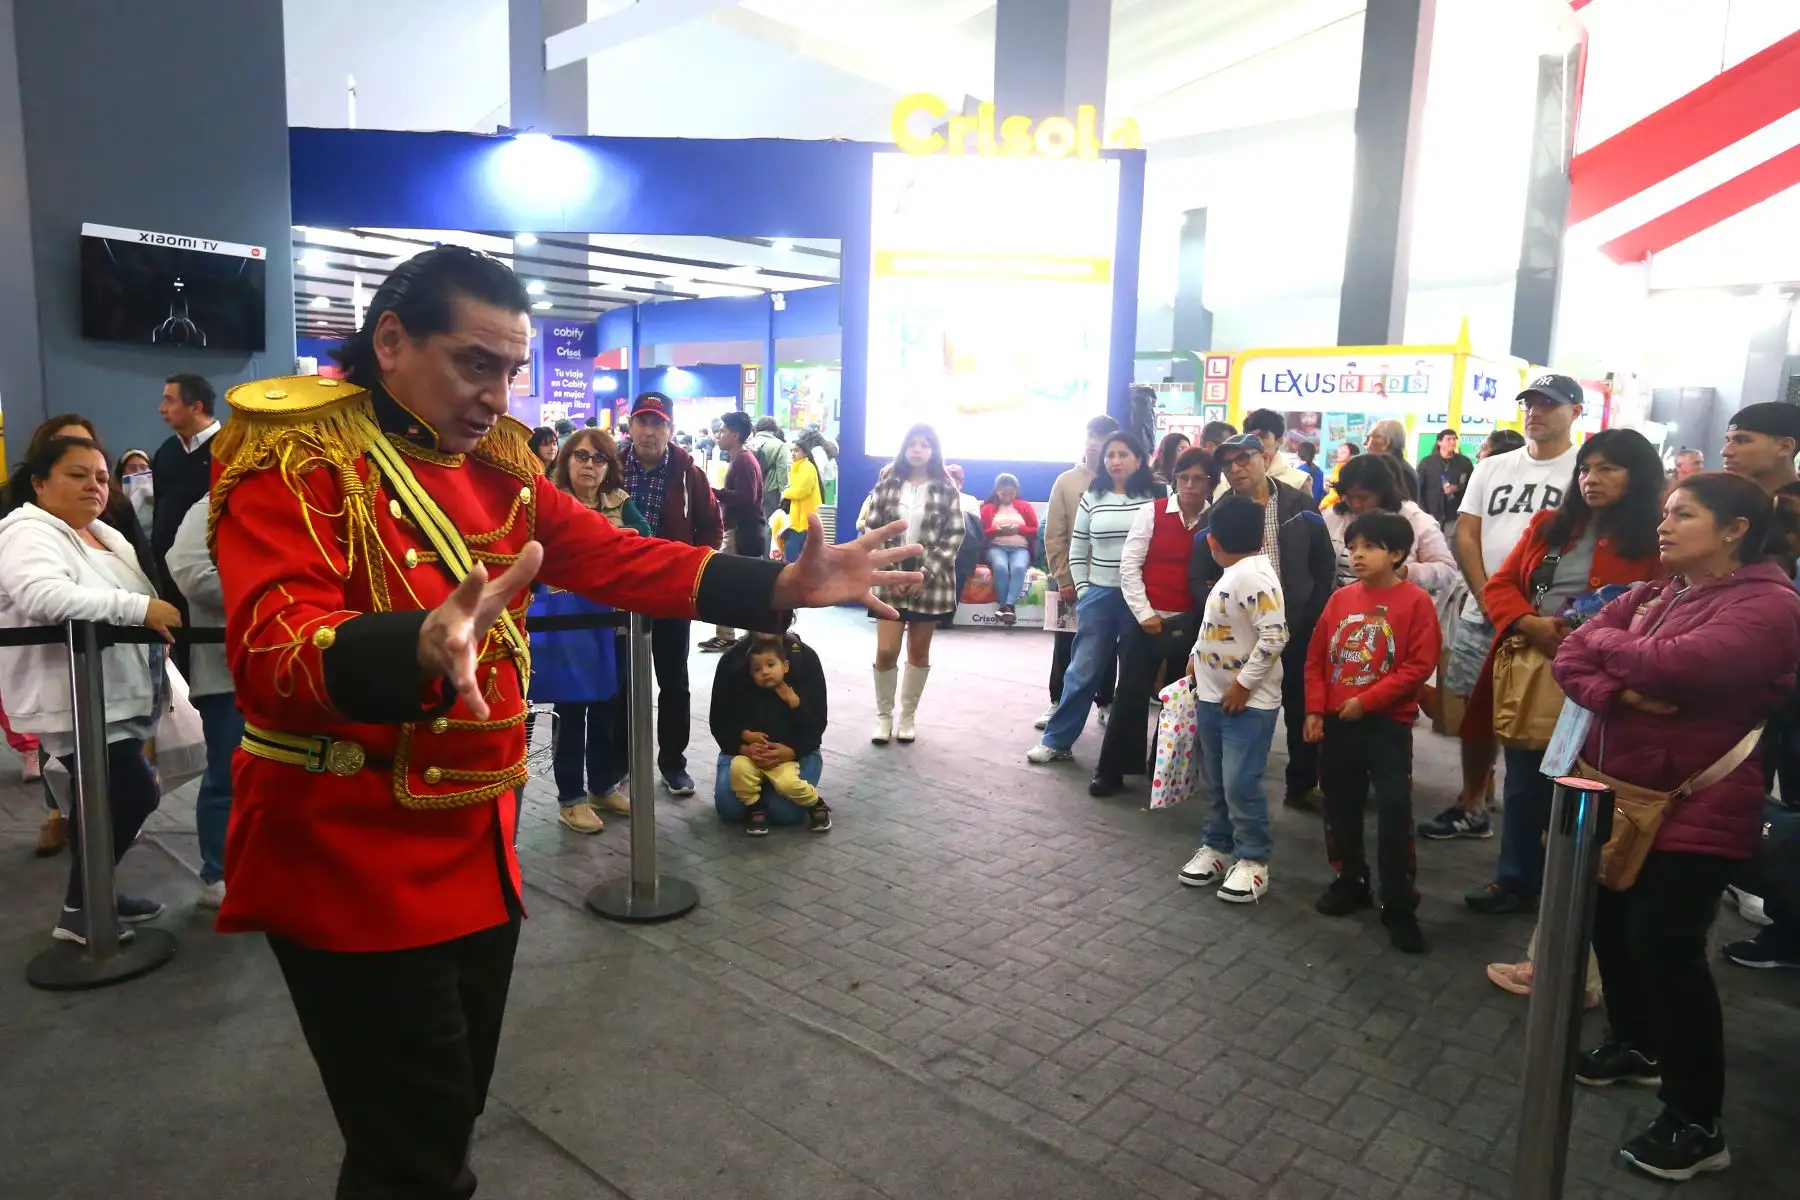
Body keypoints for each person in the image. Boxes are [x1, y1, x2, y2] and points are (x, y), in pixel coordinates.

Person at [206, 245, 918, 1197]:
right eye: (475, 364)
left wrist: (778, 585)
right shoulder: (296, 458)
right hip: (347, 850)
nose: (497, 396)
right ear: (391, 340)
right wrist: (414, 645)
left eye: (510, 369)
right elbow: (269, 651)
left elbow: (617, 557)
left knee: (443, 1119)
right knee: (414, 1148)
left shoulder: (497, 466)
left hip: (476, 844)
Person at [1554, 471, 1800, 1183]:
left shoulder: (1770, 605)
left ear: (1735, 530)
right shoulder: (1662, 592)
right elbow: (1571, 652)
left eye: (1683, 514)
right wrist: (1620, 691)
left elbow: (1677, 666)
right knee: (1611, 927)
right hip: (1621, 794)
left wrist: (1611, 652)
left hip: (1699, 804)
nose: (1663, 526)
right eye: (1666, 512)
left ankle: (1696, 1120)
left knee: (1667, 950)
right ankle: (1637, 1043)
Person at [1463, 428, 1666, 915]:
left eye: (1607, 469)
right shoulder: (1551, 525)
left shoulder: (1659, 537)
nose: (1591, 479)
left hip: (1612, 681)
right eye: (1585, 469)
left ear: (1638, 476)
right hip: (1538, 672)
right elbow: (1501, 586)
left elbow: (1666, 607)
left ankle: (1584, 887)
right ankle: (1516, 878)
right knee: (1524, 780)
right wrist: (1527, 622)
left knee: (1593, 785)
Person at [0, 436, 182, 944]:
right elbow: (43, 596)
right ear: (39, 483)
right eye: (77, 475)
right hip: (74, 700)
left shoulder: (102, 533)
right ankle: (83, 907)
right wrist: (138, 610)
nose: (94, 486)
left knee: (100, 801)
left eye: (101, 477)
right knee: (134, 791)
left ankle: (93, 896)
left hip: (114, 694)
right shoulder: (27, 532)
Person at [1422, 376, 1584, 842]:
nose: (1536, 411)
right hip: (1486, 609)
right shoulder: (1492, 467)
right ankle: (1473, 802)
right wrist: (1486, 594)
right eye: (1530, 403)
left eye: (1549, 404)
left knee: (1546, 715)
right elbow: (1467, 532)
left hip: (1552, 617)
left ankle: (1542, 820)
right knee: (1476, 710)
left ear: (1575, 412)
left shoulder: (1583, 470)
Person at [1305, 511, 1441, 953]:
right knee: (1339, 805)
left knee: (1394, 809)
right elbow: (1316, 660)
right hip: (1338, 723)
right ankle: (1351, 878)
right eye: (1352, 547)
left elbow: (1418, 666)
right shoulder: (1340, 600)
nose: (1357, 555)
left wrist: (1369, 700)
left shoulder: (1416, 602)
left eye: (1369, 547)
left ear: (1397, 553)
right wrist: (1315, 710)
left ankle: (1399, 903)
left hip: (1386, 726)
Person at [1190, 433, 1334, 813]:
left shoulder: (1299, 505)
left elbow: (1324, 564)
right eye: (1227, 463)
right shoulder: (1219, 512)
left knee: (1300, 705)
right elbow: (1199, 571)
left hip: (1296, 626)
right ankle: (1232, 791)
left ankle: (1301, 785)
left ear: (1265, 457)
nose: (1235, 469)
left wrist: (1312, 613)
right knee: (1241, 709)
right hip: (1239, 637)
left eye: (1244, 459)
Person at [530, 428, 648, 834]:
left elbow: (645, 541)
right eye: (581, 456)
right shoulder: (550, 501)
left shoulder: (620, 502)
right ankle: (570, 799)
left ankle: (601, 786)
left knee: (607, 708)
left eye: (599, 459)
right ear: (566, 460)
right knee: (571, 711)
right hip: (569, 625)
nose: (590, 466)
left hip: (614, 624)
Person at [1176, 496, 1288, 903]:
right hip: (1211, 698)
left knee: (1240, 782)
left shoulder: (1255, 578)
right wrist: (1195, 654)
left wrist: (1243, 684)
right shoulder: (1234, 575)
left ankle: (1253, 859)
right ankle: (1217, 846)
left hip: (1248, 704)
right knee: (1216, 780)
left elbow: (1275, 636)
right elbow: (1215, 624)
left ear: (1212, 542)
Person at [1029, 432, 1164, 764]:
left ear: (1139, 459)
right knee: (1082, 671)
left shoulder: (1157, 496)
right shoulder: (1093, 495)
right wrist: (1086, 591)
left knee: (1133, 678)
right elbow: (1077, 548)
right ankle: (1057, 741)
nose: (1115, 461)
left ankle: (1124, 759)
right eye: (1110, 455)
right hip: (1099, 595)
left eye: (1123, 454)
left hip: (1141, 599)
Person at [1092, 446, 1213, 795]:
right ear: (1174, 479)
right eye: (1183, 477)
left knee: (1179, 699)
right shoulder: (1152, 512)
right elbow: (1129, 566)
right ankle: (1111, 770)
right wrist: (1145, 614)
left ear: (1210, 483)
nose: (1189, 485)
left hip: (1192, 622)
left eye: (1198, 479)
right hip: (1145, 618)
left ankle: (1162, 770)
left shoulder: (1215, 518)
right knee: (1130, 693)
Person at [620, 390, 723, 797]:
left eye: (657, 423)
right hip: (620, 590)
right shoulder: (612, 467)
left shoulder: (688, 474)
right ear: (630, 426)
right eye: (642, 421)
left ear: (670, 429)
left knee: (673, 681)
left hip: (670, 592)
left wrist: (693, 571)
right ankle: (620, 762)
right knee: (620, 682)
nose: (649, 431)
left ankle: (673, 763)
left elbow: (711, 526)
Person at [861, 423, 963, 745]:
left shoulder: (946, 489)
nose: (918, 449)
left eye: (925, 444)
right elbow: (872, 530)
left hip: (929, 583)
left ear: (934, 451)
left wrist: (925, 574)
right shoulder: (887, 485)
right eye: (913, 444)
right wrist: (891, 571)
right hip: (888, 580)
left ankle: (907, 717)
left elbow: (954, 535)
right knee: (886, 650)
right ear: (904, 448)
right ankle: (883, 717)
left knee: (918, 652)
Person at [166, 495, 239, 908]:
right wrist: (276, 593)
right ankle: (219, 872)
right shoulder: (211, 505)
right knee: (227, 776)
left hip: (295, 668)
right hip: (227, 672)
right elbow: (192, 574)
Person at [1040, 415, 1121, 730]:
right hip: (1071, 580)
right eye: (1090, 435)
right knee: (1065, 645)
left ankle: (1105, 701)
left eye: (1100, 437)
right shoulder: (1067, 481)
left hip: (1110, 581)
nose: (1093, 443)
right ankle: (1057, 702)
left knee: (1107, 644)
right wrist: (1064, 578)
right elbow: (1054, 534)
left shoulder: (1122, 481)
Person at [710, 630, 828, 827]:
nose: (764, 672)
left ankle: (807, 800)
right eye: (757, 669)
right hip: (745, 752)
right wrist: (744, 747)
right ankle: (758, 800)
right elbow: (719, 722)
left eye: (771, 665)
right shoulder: (732, 660)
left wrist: (793, 751)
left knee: (784, 813)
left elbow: (817, 724)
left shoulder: (805, 658)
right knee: (731, 809)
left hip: (797, 751)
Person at [151, 373, 219, 674]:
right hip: (168, 578)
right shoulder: (166, 452)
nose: (161, 408)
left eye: (170, 400)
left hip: (209, 576)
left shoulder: (229, 449)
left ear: (196, 406)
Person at [1320, 454, 1459, 592]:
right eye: (1349, 497)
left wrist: (1407, 572)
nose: (1355, 504)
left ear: (1383, 493)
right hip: (1342, 601)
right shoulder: (1333, 517)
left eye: (1363, 497)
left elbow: (1447, 571)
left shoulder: (1416, 521)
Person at [701, 411, 765, 652]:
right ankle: (741, 634)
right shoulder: (741, 459)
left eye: (723, 431)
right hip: (743, 529)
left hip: (741, 531)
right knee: (740, 584)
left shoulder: (744, 461)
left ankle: (729, 635)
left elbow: (747, 498)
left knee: (728, 582)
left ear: (735, 435)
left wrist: (714, 492)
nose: (718, 435)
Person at [981, 472, 1038, 624]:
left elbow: (1035, 530)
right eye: (1003, 493)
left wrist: (1019, 529)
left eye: (1011, 493)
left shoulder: (1024, 506)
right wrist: (998, 531)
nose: (1007, 497)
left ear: (1016, 491)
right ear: (997, 491)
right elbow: (981, 532)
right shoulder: (987, 508)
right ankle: (1006, 608)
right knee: (1000, 568)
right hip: (996, 547)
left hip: (1020, 548)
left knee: (1018, 568)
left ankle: (1007, 606)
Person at [1226, 409, 1315, 496]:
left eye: (1263, 437)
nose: (1256, 442)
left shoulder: (1299, 481)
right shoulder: (1233, 477)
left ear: (1279, 441)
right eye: (1251, 438)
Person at [1720, 401, 1800, 494]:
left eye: (1742, 441)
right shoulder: (1719, 498)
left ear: (1785, 447)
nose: (1725, 451)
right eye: (1728, 441)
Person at [1417, 429, 1473, 530]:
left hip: (1455, 515)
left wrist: (1457, 488)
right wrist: (1424, 512)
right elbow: (1418, 488)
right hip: (1431, 514)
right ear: (1439, 442)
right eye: (1448, 439)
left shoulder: (1464, 463)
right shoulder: (1427, 462)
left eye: (1454, 439)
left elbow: (1472, 487)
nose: (1452, 442)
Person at [780, 438, 822, 564]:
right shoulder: (798, 466)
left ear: (805, 452)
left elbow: (802, 491)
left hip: (805, 519)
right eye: (791, 451)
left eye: (796, 450)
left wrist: (785, 493)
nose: (793, 453)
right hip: (798, 519)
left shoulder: (807, 467)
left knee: (795, 555)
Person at [1363, 419, 1420, 502]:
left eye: (1369, 437)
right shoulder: (1399, 467)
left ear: (1386, 442)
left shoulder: (1394, 471)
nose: (1365, 443)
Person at [748, 416, 789, 518]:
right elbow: (782, 469)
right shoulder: (779, 445)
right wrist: (783, 491)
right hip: (770, 488)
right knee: (770, 520)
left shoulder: (748, 444)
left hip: (751, 488)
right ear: (774, 428)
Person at [115, 448, 154, 538]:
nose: (138, 471)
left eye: (143, 467)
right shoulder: (113, 500)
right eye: (132, 468)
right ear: (122, 473)